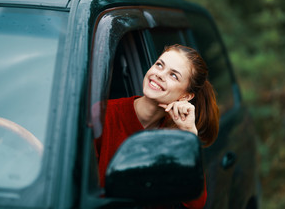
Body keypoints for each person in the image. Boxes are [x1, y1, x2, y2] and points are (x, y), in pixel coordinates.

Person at [94, 44, 220, 209]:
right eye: (159, 65)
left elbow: (195, 204)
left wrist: (188, 134)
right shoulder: (102, 113)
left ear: (186, 96)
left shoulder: (175, 134)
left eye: (173, 75)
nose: (159, 74)